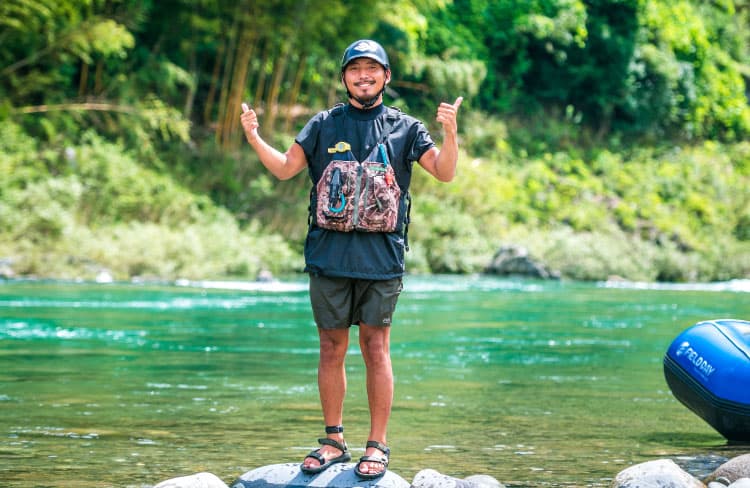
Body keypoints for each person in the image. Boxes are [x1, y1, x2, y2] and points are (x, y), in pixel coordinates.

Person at [240, 39, 462, 480]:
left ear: (386, 77)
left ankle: (377, 445)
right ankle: (333, 441)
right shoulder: (324, 124)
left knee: (376, 348)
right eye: (355, 69)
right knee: (330, 347)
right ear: (344, 77)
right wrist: (253, 136)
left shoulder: (407, 128)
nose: (364, 76)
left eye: (372, 69)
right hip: (329, 256)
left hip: (381, 259)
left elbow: (445, 171)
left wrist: (450, 134)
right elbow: (286, 167)